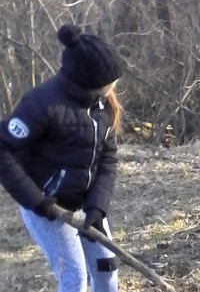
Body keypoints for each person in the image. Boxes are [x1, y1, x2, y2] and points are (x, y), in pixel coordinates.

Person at [0, 24, 125, 292]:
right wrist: (38, 201)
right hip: (48, 206)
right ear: (91, 80)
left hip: (85, 201)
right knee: (75, 277)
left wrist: (97, 207)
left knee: (107, 267)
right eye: (111, 79)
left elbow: (108, 159)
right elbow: (3, 150)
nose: (115, 84)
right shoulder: (42, 104)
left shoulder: (102, 105)